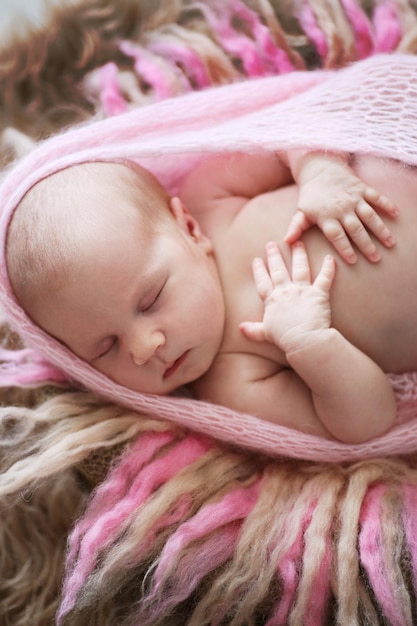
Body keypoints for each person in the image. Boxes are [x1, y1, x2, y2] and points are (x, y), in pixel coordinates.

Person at [7, 144, 411, 445]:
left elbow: (293, 132)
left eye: (150, 300)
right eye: (105, 347)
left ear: (189, 227)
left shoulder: (213, 195)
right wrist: (312, 344)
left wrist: (318, 169)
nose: (146, 348)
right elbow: (367, 420)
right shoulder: (231, 379)